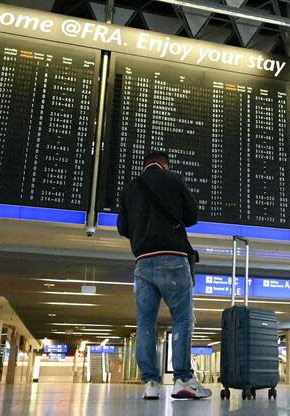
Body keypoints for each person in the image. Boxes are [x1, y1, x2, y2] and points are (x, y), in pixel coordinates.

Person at [117, 150, 212, 400]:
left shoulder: (129, 189)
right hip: (172, 258)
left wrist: (143, 233)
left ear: (145, 165)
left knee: (145, 323)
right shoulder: (173, 179)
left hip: (142, 263)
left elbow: (123, 228)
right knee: (182, 319)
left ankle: (150, 383)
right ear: (164, 166)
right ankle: (182, 378)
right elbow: (192, 216)